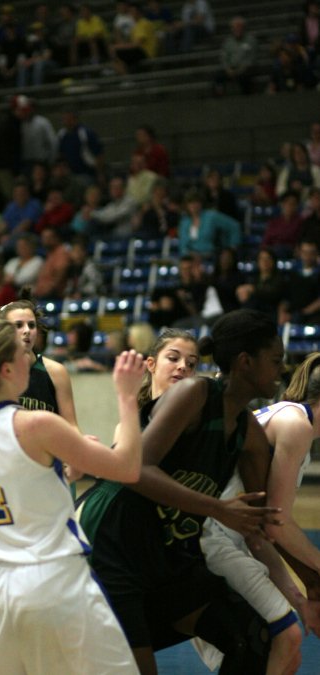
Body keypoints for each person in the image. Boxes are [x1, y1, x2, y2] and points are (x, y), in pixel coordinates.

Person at [0, 318, 145, 675]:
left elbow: (20, 476)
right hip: (51, 584)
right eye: (23, 354)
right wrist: (127, 397)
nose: (30, 358)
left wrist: (67, 459)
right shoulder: (36, 425)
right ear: (6, 368)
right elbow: (127, 469)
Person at [77, 309, 286, 675]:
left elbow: (265, 521)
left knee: (250, 638)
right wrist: (218, 508)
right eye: (276, 360)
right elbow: (135, 470)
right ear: (245, 362)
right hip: (113, 546)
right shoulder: (193, 393)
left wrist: (310, 580)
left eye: (189, 361)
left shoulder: (248, 432)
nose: (282, 369)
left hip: (166, 554)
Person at [195, 352, 320, 674]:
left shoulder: (290, 419)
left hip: (229, 537)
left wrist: (300, 597)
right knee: (281, 640)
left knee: (287, 650)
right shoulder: (296, 424)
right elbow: (277, 524)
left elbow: (263, 533)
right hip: (209, 536)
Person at [178, 188, 242, 258]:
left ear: (201, 203)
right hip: (191, 258)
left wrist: (232, 247)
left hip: (211, 256)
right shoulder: (184, 222)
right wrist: (188, 254)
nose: (194, 205)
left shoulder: (211, 216)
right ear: (186, 205)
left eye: (196, 202)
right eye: (191, 202)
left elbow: (234, 226)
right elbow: (183, 245)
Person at [57, 110, 105, 186]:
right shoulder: (62, 135)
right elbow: (61, 154)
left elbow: (99, 154)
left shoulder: (86, 133)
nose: (66, 121)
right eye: (64, 119)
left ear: (75, 119)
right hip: (71, 174)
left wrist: (100, 174)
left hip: (88, 173)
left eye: (68, 119)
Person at [236, 247, 285, 320]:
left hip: (270, 313)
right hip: (253, 313)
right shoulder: (253, 278)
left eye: (268, 259)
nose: (265, 262)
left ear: (273, 261)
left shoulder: (279, 279)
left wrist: (253, 290)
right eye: (262, 259)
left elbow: (273, 294)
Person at [213, 16, 258, 96]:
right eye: (235, 27)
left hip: (245, 68)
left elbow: (251, 58)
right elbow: (224, 57)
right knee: (218, 76)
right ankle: (219, 95)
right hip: (231, 68)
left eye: (239, 26)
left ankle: (247, 96)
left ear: (243, 28)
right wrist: (228, 69)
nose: (237, 29)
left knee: (245, 76)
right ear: (232, 29)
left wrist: (240, 69)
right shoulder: (228, 42)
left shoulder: (251, 40)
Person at [261, 190, 303, 258]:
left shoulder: (300, 222)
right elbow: (265, 241)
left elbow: (300, 242)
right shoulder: (274, 222)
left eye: (293, 203)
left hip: (291, 252)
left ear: (297, 206)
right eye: (287, 203)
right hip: (273, 251)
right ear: (282, 204)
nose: (289, 206)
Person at [33, 227, 72, 299]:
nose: (44, 240)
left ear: (56, 238)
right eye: (43, 237)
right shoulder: (49, 254)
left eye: (48, 237)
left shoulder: (61, 252)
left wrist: (49, 290)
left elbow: (61, 272)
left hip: (52, 296)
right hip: (41, 294)